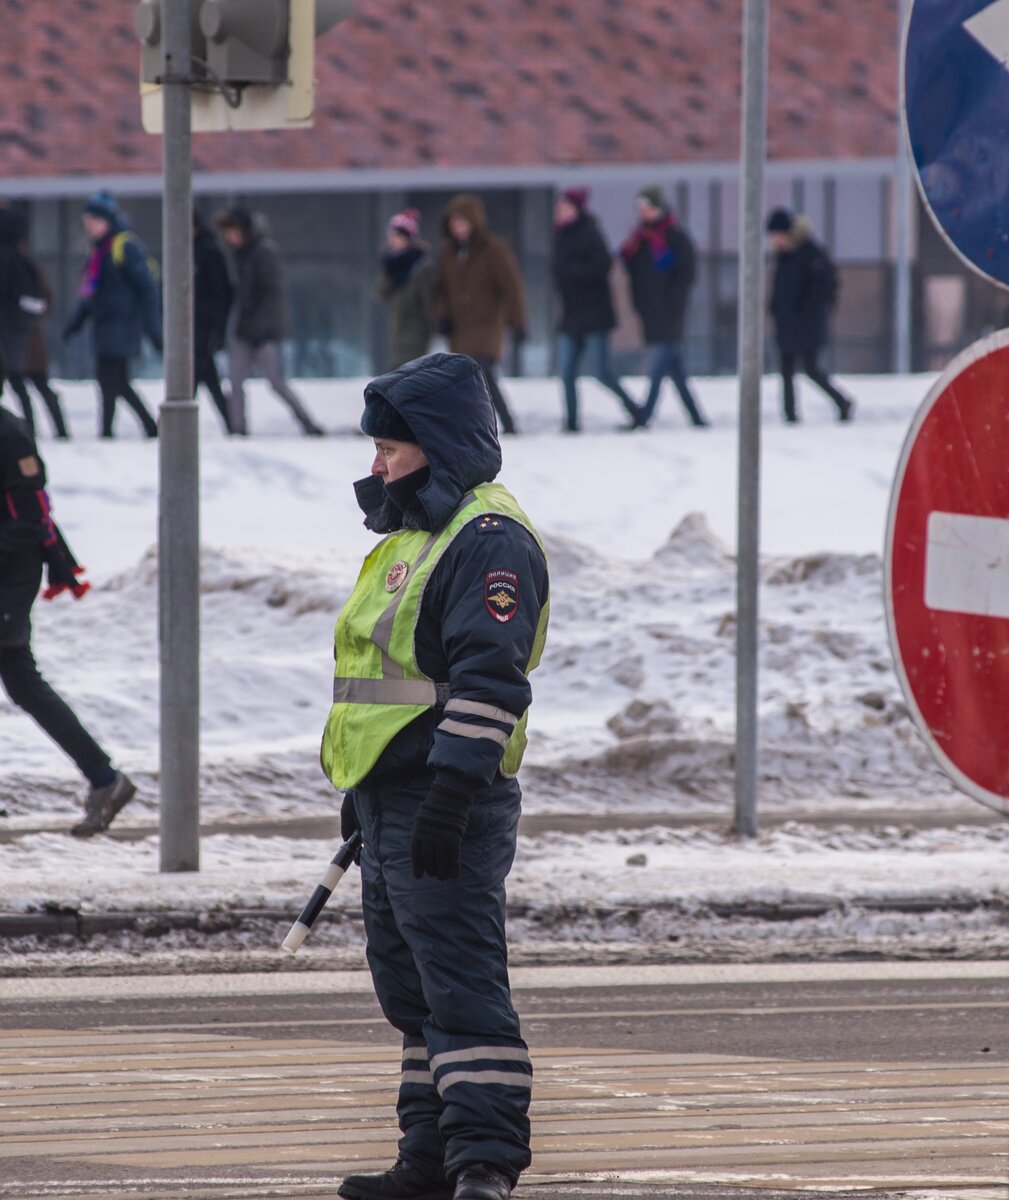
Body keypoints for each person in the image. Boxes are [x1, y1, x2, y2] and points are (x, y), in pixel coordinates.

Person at [325, 352, 549, 1200]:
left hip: (446, 800)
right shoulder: (417, 534)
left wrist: (451, 795)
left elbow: (489, 683)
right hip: (393, 801)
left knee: (461, 992)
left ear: (440, 444)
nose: (376, 463)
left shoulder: (488, 540)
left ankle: (483, 1167)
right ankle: (426, 1158)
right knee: (413, 996)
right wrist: (363, 794)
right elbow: (382, 684)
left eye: (390, 447)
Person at [0, 403, 136, 837]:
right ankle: (104, 779)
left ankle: (105, 778)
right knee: (24, 684)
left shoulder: (8, 433)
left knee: (24, 680)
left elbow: (29, 519)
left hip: (11, 573)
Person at [214, 207, 323, 437]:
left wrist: (262, 329)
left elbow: (273, 296)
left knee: (276, 382)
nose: (228, 238)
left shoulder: (265, 253)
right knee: (234, 382)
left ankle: (307, 423)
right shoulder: (241, 254)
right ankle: (238, 430)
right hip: (244, 330)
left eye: (231, 231)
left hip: (264, 333)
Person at [62, 190, 161, 440]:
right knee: (115, 382)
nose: (90, 228)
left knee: (113, 381)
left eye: (93, 222)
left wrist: (154, 329)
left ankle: (113, 431)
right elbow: (90, 293)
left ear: (106, 220)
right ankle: (140, 428)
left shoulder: (125, 247)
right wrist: (75, 323)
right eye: (87, 223)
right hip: (104, 327)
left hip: (122, 327)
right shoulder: (98, 252)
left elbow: (148, 290)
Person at [433, 195, 527, 436]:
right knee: (465, 379)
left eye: (461, 222)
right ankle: (474, 426)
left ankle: (505, 422)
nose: (457, 227)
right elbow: (440, 289)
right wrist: (442, 316)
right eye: (453, 222)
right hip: (460, 328)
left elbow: (511, 287)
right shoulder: (449, 253)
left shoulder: (493, 250)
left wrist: (518, 323)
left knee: (482, 373)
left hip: (486, 325)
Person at [551, 187, 640, 433]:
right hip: (570, 316)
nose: (560, 212)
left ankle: (635, 410)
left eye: (565, 207)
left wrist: (573, 272)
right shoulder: (559, 236)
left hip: (593, 316)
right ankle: (571, 422)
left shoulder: (590, 233)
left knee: (600, 372)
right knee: (567, 372)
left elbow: (602, 265)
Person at [620, 185, 706, 429]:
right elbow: (634, 272)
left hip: (670, 312)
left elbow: (687, 274)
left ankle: (644, 415)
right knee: (674, 367)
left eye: (648, 208)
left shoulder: (674, 237)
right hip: (650, 311)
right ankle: (697, 417)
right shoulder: (639, 240)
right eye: (641, 209)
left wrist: (674, 302)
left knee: (659, 363)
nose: (644, 213)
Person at [766, 208, 855, 424]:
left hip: (807, 324)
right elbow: (781, 288)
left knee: (811, 369)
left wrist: (806, 313)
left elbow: (823, 289)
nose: (774, 240)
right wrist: (775, 308)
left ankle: (842, 401)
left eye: (777, 234)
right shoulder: (784, 256)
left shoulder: (811, 253)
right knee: (786, 370)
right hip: (787, 322)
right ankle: (789, 415)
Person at [0, 207, 63, 438]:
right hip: (22, 336)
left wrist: (18, 320)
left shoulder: (20, 262)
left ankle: (41, 431)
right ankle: (38, 431)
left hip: (24, 339)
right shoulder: (23, 261)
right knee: (28, 386)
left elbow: (42, 300)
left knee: (33, 385)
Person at [376, 209, 436, 369]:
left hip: (416, 333)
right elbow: (381, 292)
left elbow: (428, 302)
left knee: (404, 374)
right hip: (397, 331)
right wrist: (388, 266)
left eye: (398, 236)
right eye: (392, 236)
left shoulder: (421, 266)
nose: (394, 240)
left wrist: (433, 329)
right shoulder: (391, 264)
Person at [193, 209, 235, 434]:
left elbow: (222, 294)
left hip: (204, 328)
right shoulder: (187, 251)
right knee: (207, 379)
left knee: (197, 378)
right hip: (194, 329)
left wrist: (217, 330)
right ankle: (231, 423)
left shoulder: (208, 252)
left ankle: (172, 427)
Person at [21, 255, 70, 440]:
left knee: (38, 384)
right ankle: (29, 430)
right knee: (25, 387)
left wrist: (23, 310)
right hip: (22, 339)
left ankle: (50, 430)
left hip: (28, 339)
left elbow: (46, 300)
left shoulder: (26, 264)